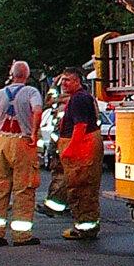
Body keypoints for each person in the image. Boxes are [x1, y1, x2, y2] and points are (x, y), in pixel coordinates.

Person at [0, 61, 43, 247]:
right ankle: (21, 235)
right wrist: (33, 132)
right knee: (24, 188)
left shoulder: (0, 95)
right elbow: (37, 111)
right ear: (26, 75)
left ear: (12, 74)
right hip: (22, 142)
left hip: (1, 142)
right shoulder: (32, 92)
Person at [56, 67, 103, 240]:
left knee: (81, 189)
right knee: (83, 188)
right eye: (63, 80)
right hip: (84, 148)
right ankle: (86, 226)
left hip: (82, 150)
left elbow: (80, 127)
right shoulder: (80, 97)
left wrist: (70, 149)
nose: (64, 83)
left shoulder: (79, 99)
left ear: (77, 81)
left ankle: (85, 229)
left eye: (68, 80)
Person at [37, 82, 70, 218]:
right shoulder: (69, 103)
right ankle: (58, 204)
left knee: (60, 177)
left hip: (63, 147)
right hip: (63, 146)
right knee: (60, 177)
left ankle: (54, 205)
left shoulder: (65, 106)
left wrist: (52, 149)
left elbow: (58, 131)